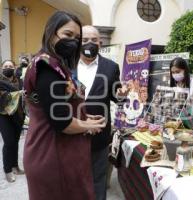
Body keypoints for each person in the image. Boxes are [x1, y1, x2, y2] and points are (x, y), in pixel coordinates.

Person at [23, 11, 106, 200]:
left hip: (57, 151)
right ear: (52, 32)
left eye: (77, 38)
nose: (74, 42)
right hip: (52, 154)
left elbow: (60, 106)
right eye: (68, 35)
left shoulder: (56, 65)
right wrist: (89, 125)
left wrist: (84, 117)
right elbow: (61, 122)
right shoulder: (47, 67)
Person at [76, 25, 128, 200]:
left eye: (93, 40)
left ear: (100, 42)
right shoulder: (66, 64)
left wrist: (121, 95)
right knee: (73, 180)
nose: (89, 43)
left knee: (98, 180)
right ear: (78, 41)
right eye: (84, 40)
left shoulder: (110, 67)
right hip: (70, 132)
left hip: (99, 134)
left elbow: (116, 96)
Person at [0, 60, 25, 183]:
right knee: (8, 142)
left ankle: (15, 166)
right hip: (3, 115)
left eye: (10, 66)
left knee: (15, 141)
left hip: (18, 114)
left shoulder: (19, 81)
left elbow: (26, 94)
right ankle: (7, 170)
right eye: (6, 66)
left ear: (14, 68)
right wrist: (14, 94)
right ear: (1, 68)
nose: (8, 68)